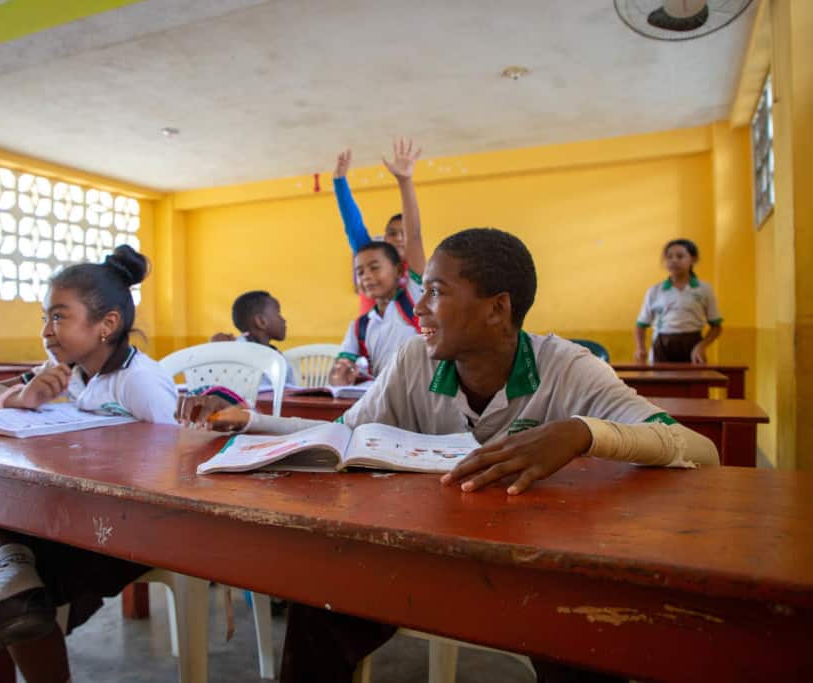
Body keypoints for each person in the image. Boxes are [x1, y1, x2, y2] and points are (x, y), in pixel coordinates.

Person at [191, 228, 719, 683]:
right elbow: (344, 434)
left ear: (497, 308)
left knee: (583, 642)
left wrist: (581, 433)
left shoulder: (567, 368)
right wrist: (250, 418)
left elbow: (700, 451)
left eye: (436, 292)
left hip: (532, 570)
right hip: (427, 560)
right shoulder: (414, 361)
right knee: (319, 608)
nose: (418, 307)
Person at [0, 245, 177, 682]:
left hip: (128, 518)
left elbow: (171, 461)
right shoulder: (66, 369)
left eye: (59, 316)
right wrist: (21, 396)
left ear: (107, 323)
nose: (47, 330)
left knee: (11, 547)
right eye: (44, 318)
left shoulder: (139, 380)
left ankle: (13, 580)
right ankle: (13, 582)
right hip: (71, 505)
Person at [334, 138, 427, 314]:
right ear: (384, 239)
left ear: (399, 272)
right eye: (392, 233)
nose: (399, 238)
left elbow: (414, 236)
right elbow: (354, 227)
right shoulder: (370, 257)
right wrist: (340, 182)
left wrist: (405, 180)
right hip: (372, 335)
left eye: (403, 233)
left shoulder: (416, 272)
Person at [328, 240, 423, 385]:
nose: (366, 276)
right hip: (382, 400)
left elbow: (414, 237)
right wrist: (340, 374)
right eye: (360, 272)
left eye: (374, 268)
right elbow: (340, 371)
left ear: (398, 271)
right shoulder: (360, 326)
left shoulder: (414, 300)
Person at [634, 239, 723, 363]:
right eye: (669, 257)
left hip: (692, 345)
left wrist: (701, 346)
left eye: (680, 256)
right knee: (661, 381)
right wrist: (640, 348)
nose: (674, 260)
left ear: (693, 259)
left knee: (694, 381)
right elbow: (641, 325)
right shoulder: (655, 291)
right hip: (662, 345)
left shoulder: (704, 289)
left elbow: (716, 327)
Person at [210, 290, 297, 387]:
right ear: (261, 321)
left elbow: (291, 391)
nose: (283, 320)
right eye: (278, 314)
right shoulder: (232, 350)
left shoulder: (279, 358)